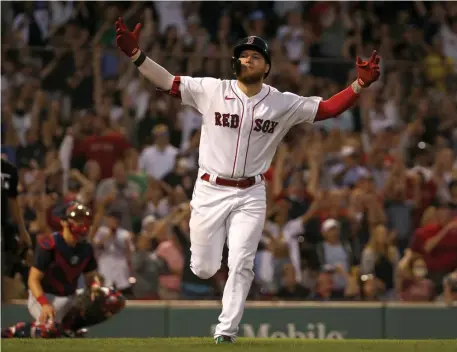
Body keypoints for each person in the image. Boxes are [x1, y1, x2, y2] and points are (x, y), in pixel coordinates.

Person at [115, 17, 380, 343]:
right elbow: (168, 81)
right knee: (204, 268)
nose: (248, 59)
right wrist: (136, 55)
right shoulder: (212, 89)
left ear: (266, 66)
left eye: (255, 56)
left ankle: (226, 331)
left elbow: (325, 109)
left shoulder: (281, 102)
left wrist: (360, 85)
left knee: (242, 262)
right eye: (243, 55)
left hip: (251, 192)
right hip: (210, 188)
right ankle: (212, 271)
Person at [2, 202, 124, 338]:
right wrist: (44, 304)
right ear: (64, 222)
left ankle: (71, 327)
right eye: (78, 219)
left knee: (113, 299)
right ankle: (13, 331)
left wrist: (96, 288)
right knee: (49, 330)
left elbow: (91, 277)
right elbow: (33, 280)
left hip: (71, 296)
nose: (83, 223)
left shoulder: (86, 248)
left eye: (84, 219)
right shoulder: (50, 244)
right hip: (46, 296)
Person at [1, 157, 33, 301]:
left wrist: (22, 231)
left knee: (7, 274)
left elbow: (13, 202)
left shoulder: (8, 170)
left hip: (2, 228)